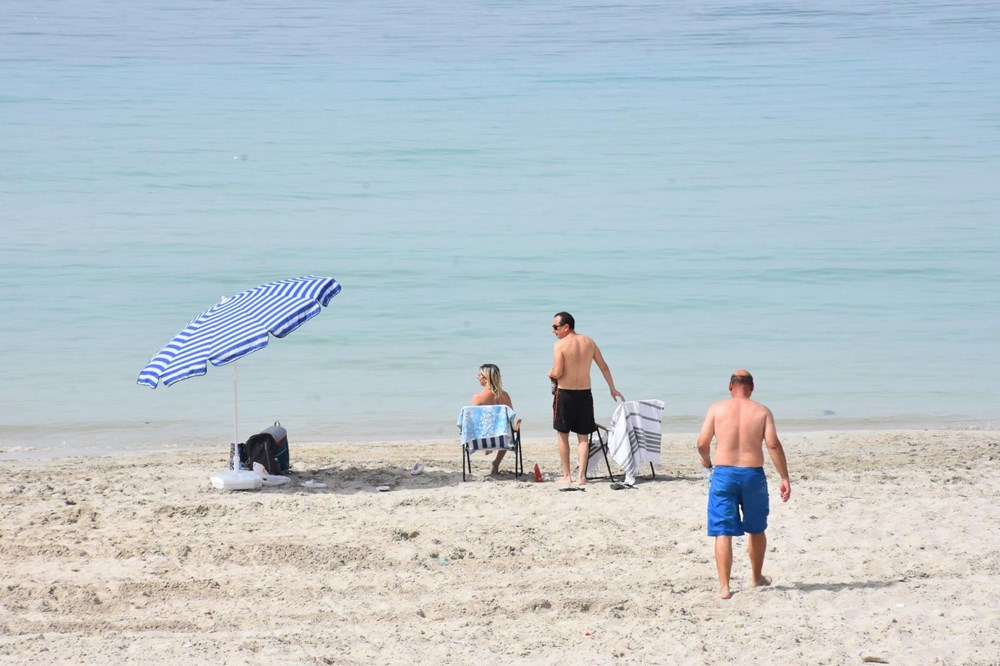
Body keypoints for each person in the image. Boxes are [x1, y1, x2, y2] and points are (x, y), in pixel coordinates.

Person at [696, 369, 791, 599]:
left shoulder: (717, 408)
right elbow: (773, 445)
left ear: (730, 387)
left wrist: (707, 461)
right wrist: (784, 477)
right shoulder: (762, 411)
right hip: (752, 475)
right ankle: (756, 577)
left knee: (722, 530)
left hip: (724, 474)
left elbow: (702, 442)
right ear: (752, 387)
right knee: (757, 528)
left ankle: (724, 587)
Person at [547, 312, 624, 487]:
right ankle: (582, 477)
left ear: (566, 327)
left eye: (555, 327)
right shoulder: (589, 342)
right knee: (583, 437)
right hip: (585, 394)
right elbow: (603, 367)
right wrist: (612, 388)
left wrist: (549, 372)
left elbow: (558, 373)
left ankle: (567, 476)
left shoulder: (560, 345)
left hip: (565, 394)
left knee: (563, 435)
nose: (553, 331)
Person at [471, 363, 514, 475]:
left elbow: (474, 422)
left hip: (482, 439)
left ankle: (488, 446)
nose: (477, 377)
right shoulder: (505, 396)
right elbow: (511, 418)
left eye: (479, 375)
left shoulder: (477, 397)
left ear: (485, 378)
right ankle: (496, 462)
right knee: (507, 429)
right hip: (503, 440)